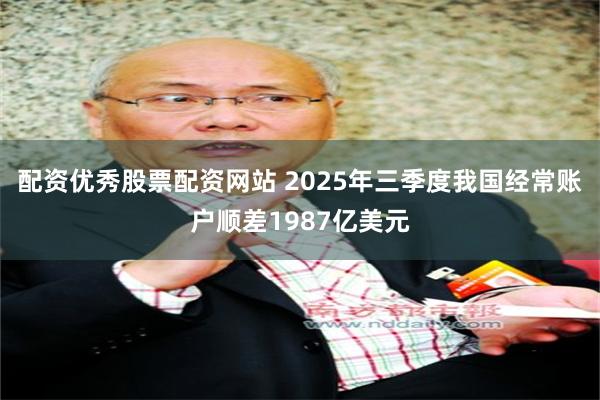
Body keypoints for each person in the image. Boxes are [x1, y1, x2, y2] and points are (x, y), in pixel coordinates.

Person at [1, 38, 598, 399]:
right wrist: (144, 282)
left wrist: (542, 311)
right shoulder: (19, 215)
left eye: (274, 98)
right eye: (176, 98)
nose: (227, 119)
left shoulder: (454, 205)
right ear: (97, 117)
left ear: (330, 114)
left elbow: (574, 302)